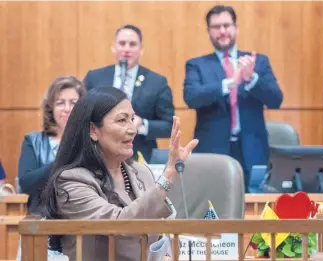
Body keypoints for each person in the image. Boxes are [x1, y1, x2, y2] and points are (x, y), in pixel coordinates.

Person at [41, 87, 198, 261]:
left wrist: (168, 254)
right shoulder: (71, 181)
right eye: (122, 120)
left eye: (132, 119)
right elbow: (119, 224)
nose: (133, 130)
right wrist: (168, 175)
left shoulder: (141, 172)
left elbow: (160, 232)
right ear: (93, 130)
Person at [183, 5, 283, 192]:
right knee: (213, 207)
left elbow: (276, 100)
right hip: (212, 150)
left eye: (227, 25)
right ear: (208, 32)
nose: (222, 31)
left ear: (236, 28)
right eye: (216, 27)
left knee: (254, 209)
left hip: (253, 149)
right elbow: (191, 97)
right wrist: (229, 83)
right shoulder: (197, 65)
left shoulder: (258, 62)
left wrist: (252, 78)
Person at [84, 24, 174, 163]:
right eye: (122, 43)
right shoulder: (95, 77)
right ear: (113, 47)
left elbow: (169, 126)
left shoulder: (157, 82)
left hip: (139, 158)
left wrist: (142, 124)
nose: (127, 49)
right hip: (98, 155)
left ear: (141, 49)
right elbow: (83, 116)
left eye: (132, 44)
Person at [18, 76, 86, 214]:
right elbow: (26, 184)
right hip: (43, 222)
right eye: (60, 103)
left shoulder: (92, 140)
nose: (67, 109)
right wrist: (61, 160)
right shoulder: (33, 141)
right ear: (51, 108)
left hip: (83, 221)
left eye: (73, 103)